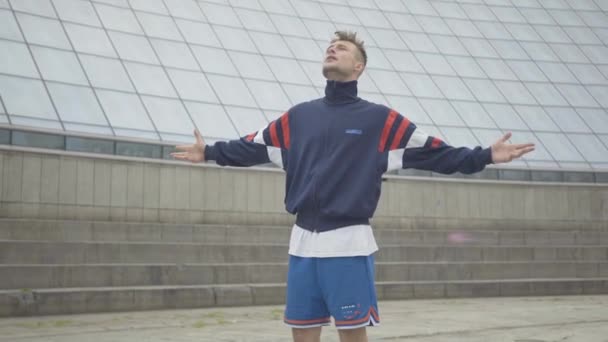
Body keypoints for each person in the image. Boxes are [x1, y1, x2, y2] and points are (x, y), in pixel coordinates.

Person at [171, 31, 535, 342]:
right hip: (301, 244)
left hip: (348, 244)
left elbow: (440, 155)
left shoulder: (380, 120)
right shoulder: (298, 117)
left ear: (359, 66)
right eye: (330, 46)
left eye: (343, 48)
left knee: (352, 334)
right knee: (301, 332)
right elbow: (251, 146)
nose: (333, 49)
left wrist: (486, 154)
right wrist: (210, 152)